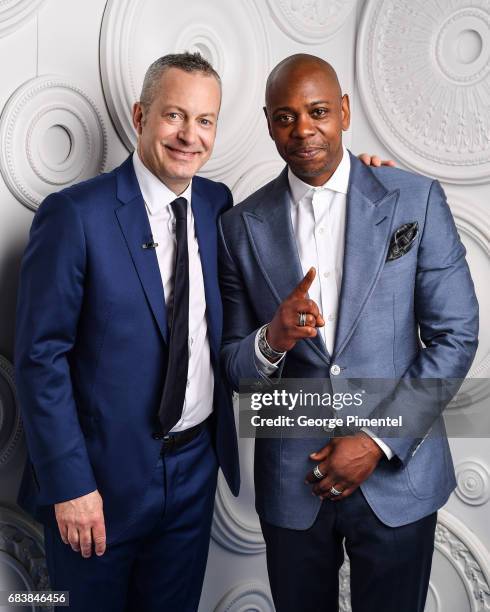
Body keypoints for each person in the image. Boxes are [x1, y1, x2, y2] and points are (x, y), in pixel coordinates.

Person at [218, 54, 479, 612]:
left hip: (398, 476)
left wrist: (377, 442)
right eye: (285, 117)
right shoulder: (239, 227)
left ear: (343, 111)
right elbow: (235, 370)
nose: (303, 130)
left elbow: (455, 334)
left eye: (317, 112)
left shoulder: (414, 199)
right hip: (293, 483)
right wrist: (274, 339)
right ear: (268, 122)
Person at [14, 52, 240, 612]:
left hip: (194, 472)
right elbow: (41, 358)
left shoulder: (218, 205)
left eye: (205, 120)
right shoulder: (73, 215)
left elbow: (293, 221)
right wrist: (69, 485)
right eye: (174, 116)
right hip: (97, 483)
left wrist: (360, 177)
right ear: (141, 115)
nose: (190, 135)